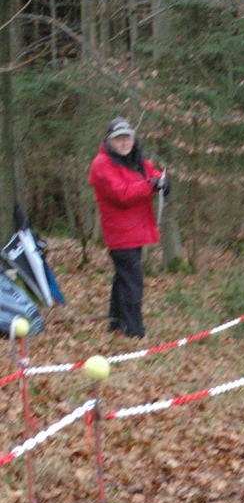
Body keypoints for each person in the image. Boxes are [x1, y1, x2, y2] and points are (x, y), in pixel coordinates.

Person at [88, 117, 169, 338]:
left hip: (137, 230)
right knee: (132, 282)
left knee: (123, 278)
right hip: (120, 234)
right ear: (109, 140)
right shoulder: (101, 165)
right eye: (119, 139)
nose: (124, 143)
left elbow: (152, 173)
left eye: (128, 138)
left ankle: (116, 324)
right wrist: (150, 185)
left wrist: (162, 181)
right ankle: (133, 331)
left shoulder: (136, 159)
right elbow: (121, 193)